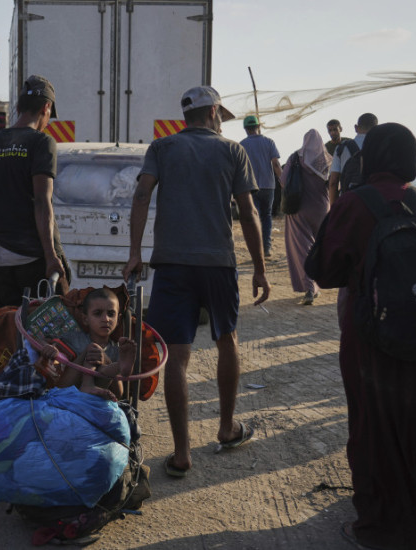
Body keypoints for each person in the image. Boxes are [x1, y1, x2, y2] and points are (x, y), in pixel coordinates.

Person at [312, 123, 416, 549]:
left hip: (372, 342)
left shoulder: (352, 203)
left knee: (374, 431)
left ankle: (380, 527)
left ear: (371, 159)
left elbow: (324, 271)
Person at [122, 85, 270, 478]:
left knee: (176, 355)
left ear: (186, 116)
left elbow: (141, 195)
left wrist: (135, 252)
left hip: (171, 263)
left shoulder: (162, 148)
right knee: (227, 340)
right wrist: (259, 266)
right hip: (218, 262)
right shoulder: (232, 150)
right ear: (214, 112)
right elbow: (249, 211)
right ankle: (227, 428)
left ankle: (182, 453)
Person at [0, 75, 70, 307]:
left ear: (18, 107)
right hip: (36, 258)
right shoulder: (41, 142)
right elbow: (41, 201)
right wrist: (51, 256)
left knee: (9, 325)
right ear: (46, 107)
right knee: (53, 325)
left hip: (1, 261)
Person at [37, 288, 137, 401]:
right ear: (85, 319)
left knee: (105, 365)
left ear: (118, 320)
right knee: (93, 348)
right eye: (98, 313)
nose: (106, 319)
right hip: (67, 392)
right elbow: (39, 339)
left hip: (101, 398)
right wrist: (47, 347)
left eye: (111, 314)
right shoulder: (74, 337)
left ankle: (118, 367)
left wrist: (106, 360)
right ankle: (89, 384)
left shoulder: (117, 350)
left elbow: (119, 394)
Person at [281, 129, 330, 305]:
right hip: (321, 208)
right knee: (319, 247)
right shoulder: (326, 160)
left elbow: (283, 180)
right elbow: (333, 182)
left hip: (299, 208)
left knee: (303, 248)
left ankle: (310, 287)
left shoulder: (295, 157)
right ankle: (318, 283)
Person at [240, 115, 283, 257]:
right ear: (258, 126)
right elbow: (276, 164)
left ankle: (257, 250)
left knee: (255, 218)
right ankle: (266, 248)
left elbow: (239, 169)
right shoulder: (269, 142)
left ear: (245, 129)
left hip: (251, 187)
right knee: (267, 216)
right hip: (268, 186)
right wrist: (283, 181)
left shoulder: (242, 145)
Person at [328, 113, 377, 205]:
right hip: (375, 201)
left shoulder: (342, 148)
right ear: (376, 129)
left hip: (349, 201)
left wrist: (334, 209)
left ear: (356, 128)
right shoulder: (381, 147)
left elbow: (333, 182)